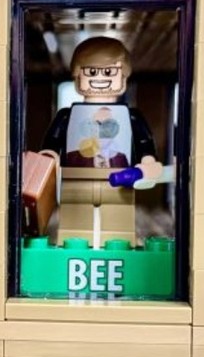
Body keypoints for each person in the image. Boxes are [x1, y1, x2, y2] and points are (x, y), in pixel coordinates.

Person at [37, 35, 163, 246]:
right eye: (92, 72)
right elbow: (53, 141)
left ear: (123, 76)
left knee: (118, 222)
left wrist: (148, 160)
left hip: (120, 179)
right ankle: (74, 246)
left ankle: (118, 245)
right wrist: (50, 157)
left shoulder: (130, 117)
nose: (100, 78)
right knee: (75, 223)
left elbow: (144, 142)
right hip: (76, 177)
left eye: (109, 72)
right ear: (78, 77)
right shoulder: (67, 116)